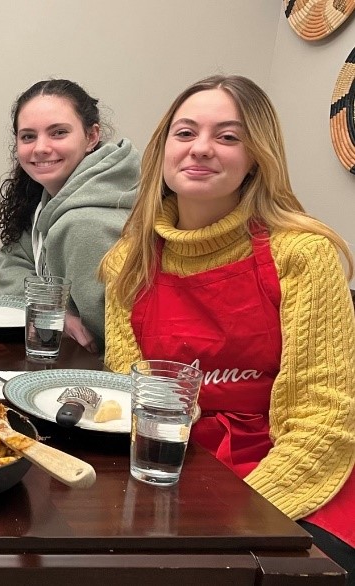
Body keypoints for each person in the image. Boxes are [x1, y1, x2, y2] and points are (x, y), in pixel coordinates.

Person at [101, 75, 355, 579]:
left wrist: (239, 520)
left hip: (297, 476)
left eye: (228, 136)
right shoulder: (127, 262)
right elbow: (129, 394)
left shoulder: (302, 254)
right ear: (163, 150)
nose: (201, 149)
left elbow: (323, 423)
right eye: (186, 132)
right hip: (178, 466)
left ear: (257, 156)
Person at [0, 79, 139, 354]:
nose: (40, 148)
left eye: (58, 133)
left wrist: (52, 316)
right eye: (28, 136)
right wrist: (51, 309)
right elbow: (13, 261)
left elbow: (103, 341)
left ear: (92, 136)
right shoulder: (45, 195)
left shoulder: (86, 225)